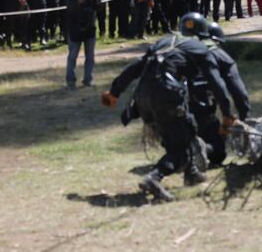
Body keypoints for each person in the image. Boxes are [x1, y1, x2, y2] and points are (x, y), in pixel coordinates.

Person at [100, 12, 234, 201]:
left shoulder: (163, 42)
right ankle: (154, 178)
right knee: (179, 145)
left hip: (142, 97)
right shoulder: (200, 50)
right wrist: (227, 113)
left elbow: (136, 66)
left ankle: (192, 173)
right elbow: (216, 83)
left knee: (186, 129)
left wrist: (114, 92)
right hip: (166, 93)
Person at [189, 21, 251, 166]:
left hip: (173, 107)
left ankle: (183, 151)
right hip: (201, 106)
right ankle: (202, 149)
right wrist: (244, 118)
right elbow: (239, 92)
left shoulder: (185, 52)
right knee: (218, 153)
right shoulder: (219, 55)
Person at [65, 0, 101, 89]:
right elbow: (69, 9)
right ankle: (70, 80)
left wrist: (97, 1)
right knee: (73, 56)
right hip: (75, 28)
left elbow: (99, 8)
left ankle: (88, 79)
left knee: (90, 56)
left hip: (90, 28)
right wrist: (78, 3)